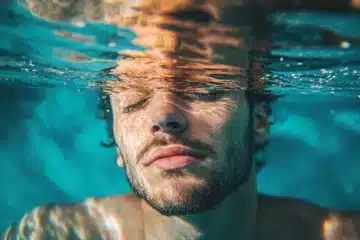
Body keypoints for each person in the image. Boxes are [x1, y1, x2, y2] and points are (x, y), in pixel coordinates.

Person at [3, 0, 360, 239]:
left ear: (260, 120)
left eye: (203, 89)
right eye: (135, 101)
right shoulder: (52, 234)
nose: (165, 117)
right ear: (118, 143)